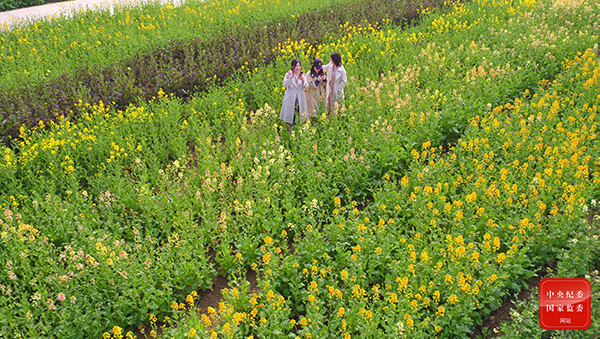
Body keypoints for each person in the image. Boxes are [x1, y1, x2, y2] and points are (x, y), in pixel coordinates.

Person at [280, 59, 309, 132]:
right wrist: (288, 77)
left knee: (299, 117)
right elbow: (285, 85)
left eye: (299, 66)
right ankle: (290, 133)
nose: (298, 68)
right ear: (292, 67)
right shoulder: (288, 75)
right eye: (296, 66)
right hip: (290, 99)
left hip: (300, 99)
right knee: (290, 118)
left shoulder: (303, 75)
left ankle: (298, 133)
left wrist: (302, 80)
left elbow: (306, 86)